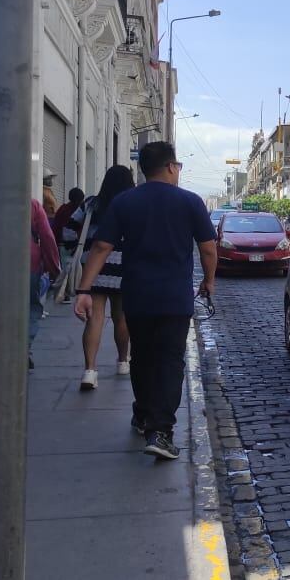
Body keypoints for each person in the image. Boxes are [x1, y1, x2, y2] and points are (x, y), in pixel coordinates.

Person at [75, 142, 217, 460]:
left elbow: (100, 247)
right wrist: (208, 281)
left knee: (141, 358)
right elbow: (208, 248)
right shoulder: (191, 202)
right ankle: (161, 431)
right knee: (169, 362)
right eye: (178, 166)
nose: (178, 171)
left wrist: (84, 290)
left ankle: (142, 415)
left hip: (137, 296)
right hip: (174, 299)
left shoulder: (125, 202)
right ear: (170, 167)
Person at [70, 167, 135, 390]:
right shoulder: (131, 204)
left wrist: (76, 251)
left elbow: (68, 231)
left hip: (93, 268)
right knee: (121, 318)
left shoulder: (89, 204)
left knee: (94, 318)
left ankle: (90, 371)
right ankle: (122, 362)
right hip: (122, 268)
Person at [29, 199, 61, 370]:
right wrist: (54, 267)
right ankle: (24, 349)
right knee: (31, 307)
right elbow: (47, 237)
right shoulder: (32, 204)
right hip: (28, 262)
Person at [52, 187, 85, 302]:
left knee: (65, 268)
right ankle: (68, 291)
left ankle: (64, 292)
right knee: (74, 268)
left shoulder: (63, 209)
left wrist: (55, 242)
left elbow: (56, 226)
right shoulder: (81, 211)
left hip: (62, 244)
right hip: (77, 244)